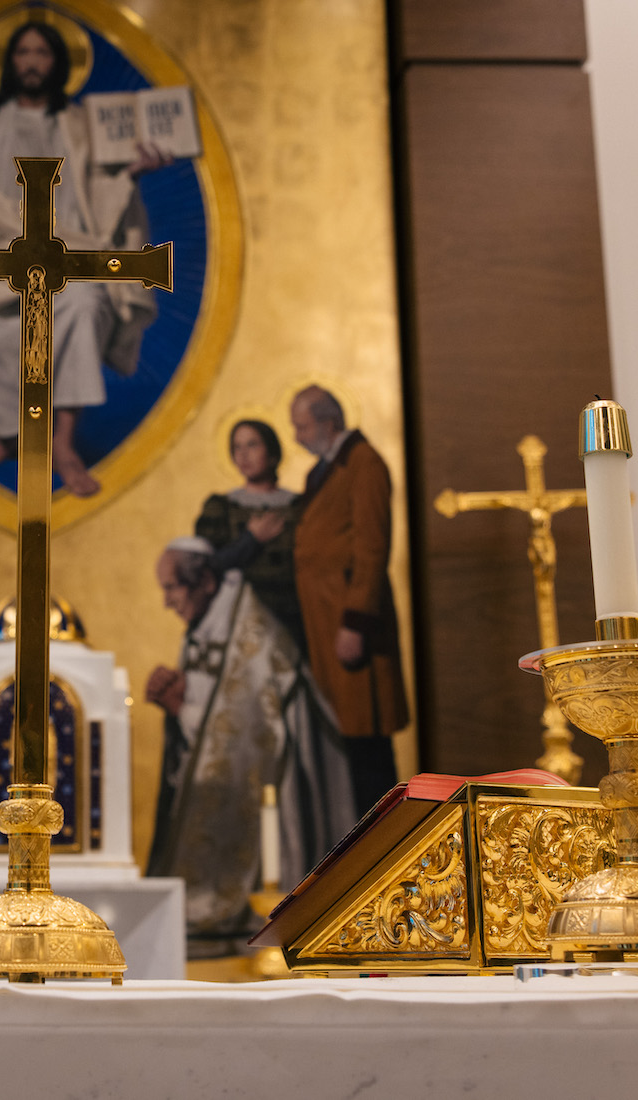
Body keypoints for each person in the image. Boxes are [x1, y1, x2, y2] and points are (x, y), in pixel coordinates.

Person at [0, 20, 169, 497]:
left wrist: (133, 172)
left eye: (42, 53)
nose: (32, 62)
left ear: (57, 63)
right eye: (23, 53)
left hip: (69, 256)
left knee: (83, 309)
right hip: (3, 261)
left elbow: (108, 188)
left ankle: (62, 444)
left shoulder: (82, 125)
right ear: (10, 63)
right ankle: (12, 434)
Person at [144, 538, 356, 957]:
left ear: (204, 581)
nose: (167, 602)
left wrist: (180, 708)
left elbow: (242, 749)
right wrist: (178, 708)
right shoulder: (206, 624)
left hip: (283, 782)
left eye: (172, 588)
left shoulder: (250, 638)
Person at [289, 385, 410, 815]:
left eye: (301, 426)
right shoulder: (325, 468)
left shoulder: (364, 463)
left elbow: (371, 547)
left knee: (367, 742)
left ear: (328, 422)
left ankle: (382, 843)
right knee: (346, 740)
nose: (297, 436)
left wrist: (354, 623)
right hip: (325, 622)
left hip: (351, 625)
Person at [193, 419, 303, 644]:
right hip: (240, 621)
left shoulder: (299, 506)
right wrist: (251, 540)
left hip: (293, 619)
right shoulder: (221, 507)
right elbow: (204, 567)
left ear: (272, 452)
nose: (243, 455)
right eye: (237, 447)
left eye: (252, 445)